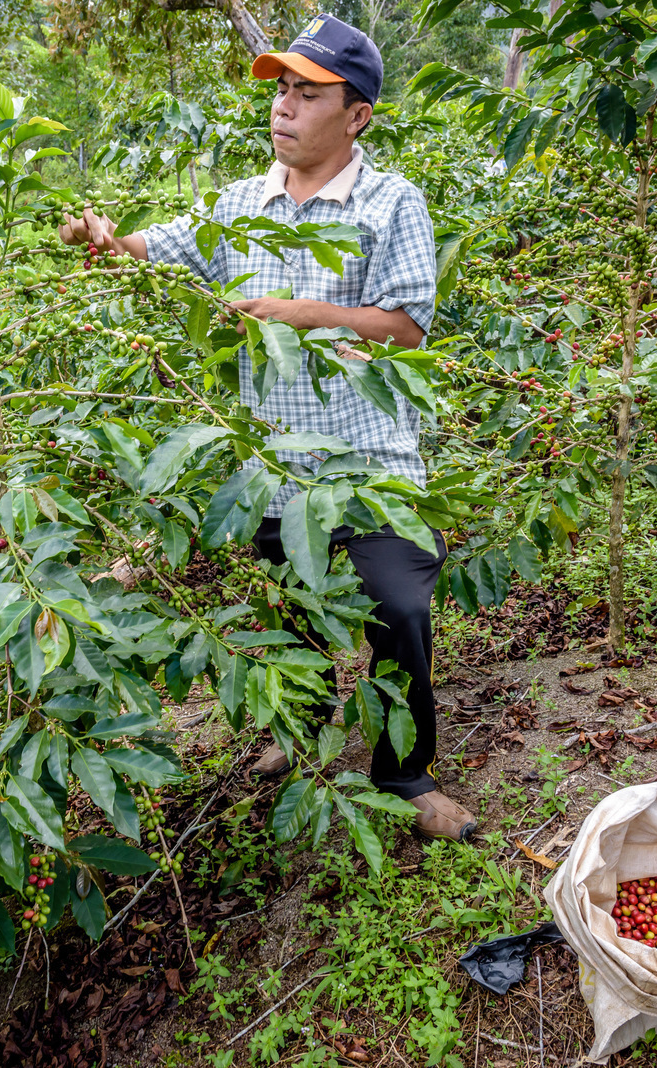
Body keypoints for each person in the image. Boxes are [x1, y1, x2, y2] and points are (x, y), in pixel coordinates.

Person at [57, 15, 476, 842]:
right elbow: (166, 246)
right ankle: (306, 732)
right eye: (281, 89)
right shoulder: (242, 203)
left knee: (398, 608)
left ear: (356, 115)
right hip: (269, 467)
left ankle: (407, 773)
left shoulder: (390, 203)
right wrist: (107, 238)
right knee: (290, 612)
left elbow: (406, 326)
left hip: (368, 464)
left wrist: (300, 313)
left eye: (306, 93)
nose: (283, 107)